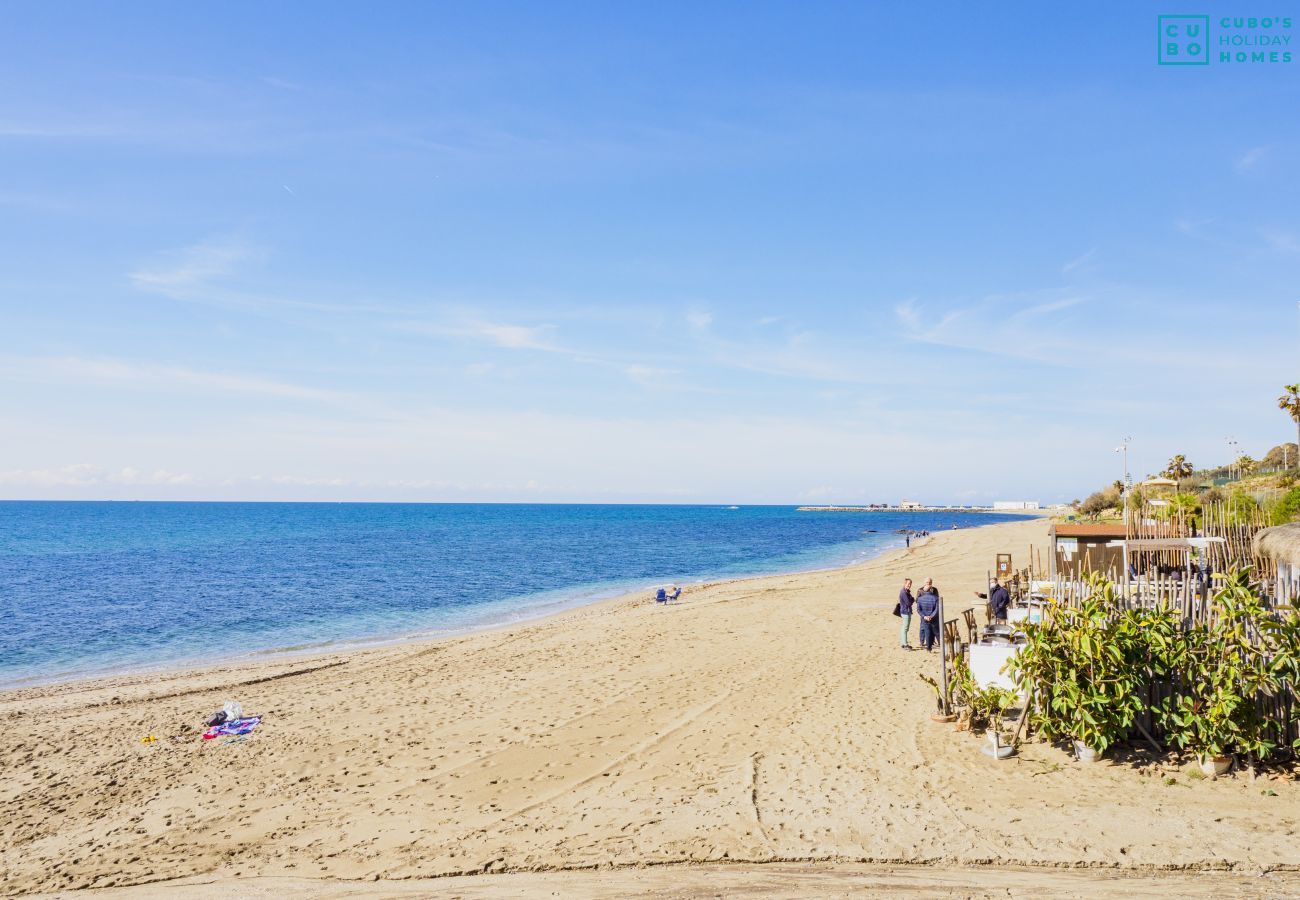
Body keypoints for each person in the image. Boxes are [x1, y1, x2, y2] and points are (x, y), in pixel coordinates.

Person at [915, 579, 941, 652]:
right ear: (924, 583)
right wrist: (927, 616)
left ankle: (930, 646)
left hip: (928, 615)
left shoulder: (935, 590)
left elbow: (918, 609)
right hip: (927, 614)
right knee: (924, 629)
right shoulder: (920, 590)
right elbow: (917, 600)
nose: (928, 583)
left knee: (932, 631)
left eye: (930, 582)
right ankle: (922, 641)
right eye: (927, 582)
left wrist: (927, 616)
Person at [897, 578, 915, 649]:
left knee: (904, 628)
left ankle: (903, 643)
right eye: (908, 584)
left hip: (905, 611)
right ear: (905, 584)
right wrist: (912, 599)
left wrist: (911, 599)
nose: (909, 585)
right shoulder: (904, 592)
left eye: (910, 584)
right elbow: (908, 603)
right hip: (905, 612)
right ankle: (905, 644)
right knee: (905, 628)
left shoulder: (906, 591)